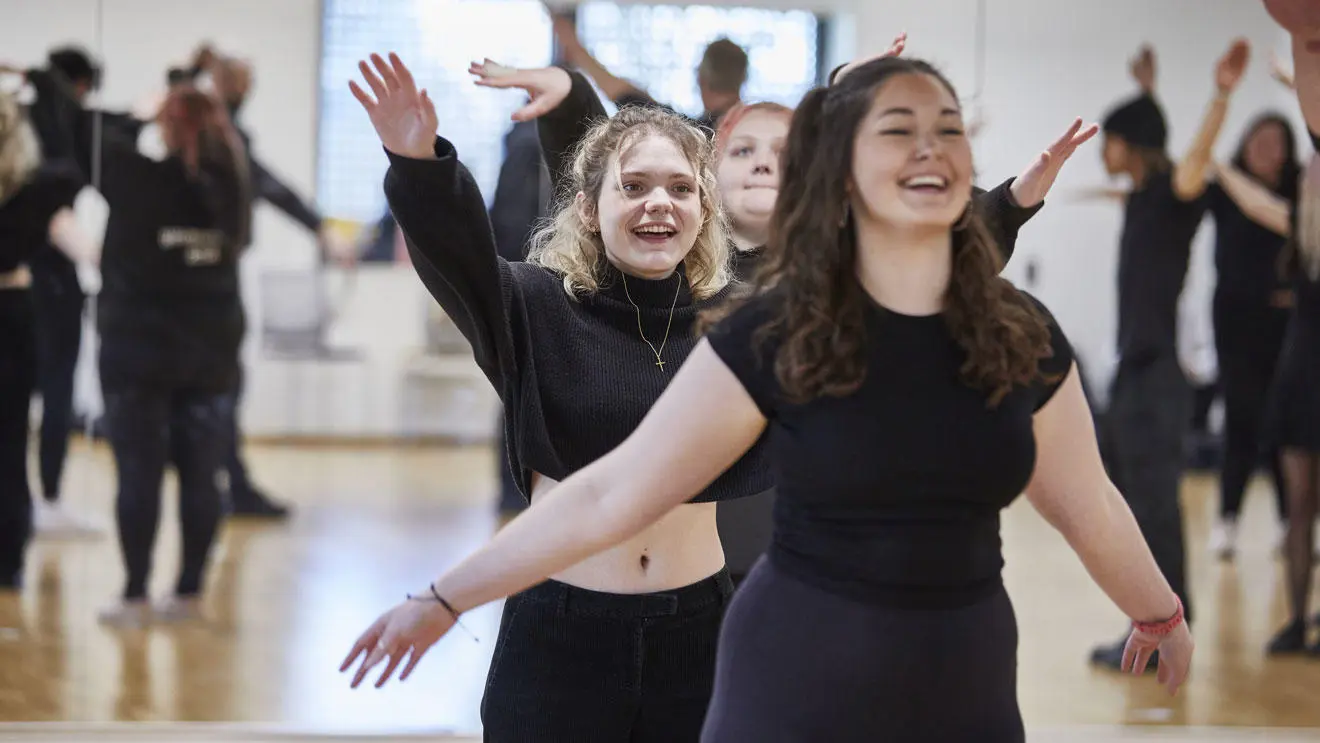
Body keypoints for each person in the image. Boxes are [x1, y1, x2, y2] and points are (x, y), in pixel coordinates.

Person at [343, 54, 1194, 742]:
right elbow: (608, 490)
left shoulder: (791, 319)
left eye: (945, 132)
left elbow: (1080, 493)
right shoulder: (670, 320)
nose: (659, 203)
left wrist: (1157, 606)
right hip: (611, 636)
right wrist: (444, 595)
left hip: (825, 642)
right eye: (897, 133)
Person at [469, 43, 1091, 589]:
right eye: (741, 150)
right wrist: (569, 96)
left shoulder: (826, 278)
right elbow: (606, 178)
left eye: (783, 154)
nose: (764, 164)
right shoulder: (668, 277)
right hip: (694, 567)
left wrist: (1010, 203)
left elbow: (927, 258)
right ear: (705, 183)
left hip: (796, 558)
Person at [348, 51, 770, 742]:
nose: (659, 202)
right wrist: (418, 161)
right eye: (633, 186)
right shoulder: (537, 307)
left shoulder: (732, 322)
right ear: (588, 208)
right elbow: (459, 256)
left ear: (704, 208)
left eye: (680, 188)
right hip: (563, 637)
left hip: (699, 631)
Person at [58, 83, 252, 626]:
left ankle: (136, 595)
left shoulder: (136, 177)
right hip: (211, 349)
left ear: (165, 125)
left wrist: (135, 112)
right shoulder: (232, 185)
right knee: (202, 473)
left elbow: (83, 130)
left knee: (139, 473)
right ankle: (188, 594)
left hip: (138, 352)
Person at [1086, 40, 1248, 671]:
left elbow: (1194, 160)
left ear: (1130, 144)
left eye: (1110, 140)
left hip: (1158, 377)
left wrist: (1222, 93)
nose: (1103, 152)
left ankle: (1162, 631)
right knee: (1134, 506)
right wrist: (1148, 93)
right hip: (1135, 372)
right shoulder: (1142, 195)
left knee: (1153, 508)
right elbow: (1159, 147)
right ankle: (1156, 625)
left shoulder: (1174, 194)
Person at [0, 92, 95, 589]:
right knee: (11, 441)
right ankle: (8, 559)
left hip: (16, 319)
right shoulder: (38, 190)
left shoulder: (37, 189)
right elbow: (86, 244)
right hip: (13, 313)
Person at [1203, 111, 1302, 559]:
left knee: (1283, 423)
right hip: (1235, 323)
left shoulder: (1297, 190)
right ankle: (1227, 521)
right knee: (1240, 419)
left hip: (1287, 326)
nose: (1266, 149)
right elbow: (1178, 193)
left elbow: (1269, 214)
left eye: (1276, 142)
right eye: (1259, 139)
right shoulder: (1225, 188)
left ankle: (1288, 523)